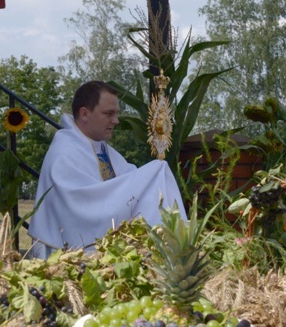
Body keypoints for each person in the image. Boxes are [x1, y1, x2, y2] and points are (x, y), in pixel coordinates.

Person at [28, 81, 186, 259]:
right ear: (84, 113)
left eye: (116, 114)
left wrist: (154, 175)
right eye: (108, 113)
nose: (116, 120)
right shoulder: (64, 152)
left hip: (102, 255)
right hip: (68, 257)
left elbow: (131, 184)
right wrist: (152, 173)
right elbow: (81, 210)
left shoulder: (104, 150)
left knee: (158, 173)